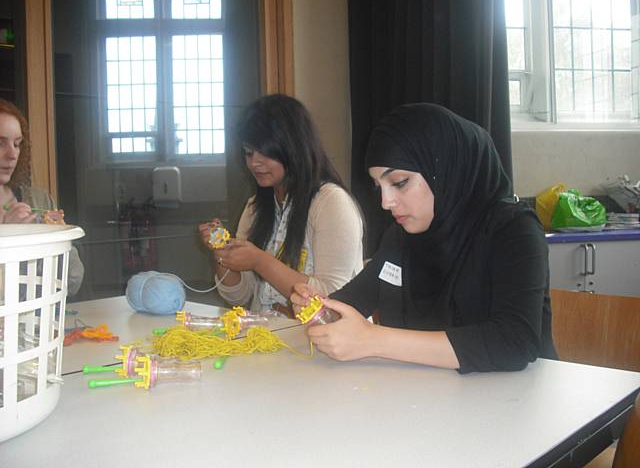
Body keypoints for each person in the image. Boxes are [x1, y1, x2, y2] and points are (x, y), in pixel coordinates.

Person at [291, 103, 558, 373]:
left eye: (399, 182)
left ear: (444, 170)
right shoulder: (400, 238)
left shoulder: (514, 230)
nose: (386, 202)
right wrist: (319, 308)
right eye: (378, 187)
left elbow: (513, 342)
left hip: (517, 403)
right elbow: (352, 300)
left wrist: (374, 340)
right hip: (428, 399)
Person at [199, 94, 363, 314]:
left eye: (266, 152)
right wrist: (222, 253)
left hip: (322, 342)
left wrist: (259, 261)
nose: (254, 162)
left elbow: (333, 298)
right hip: (268, 336)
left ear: (293, 149)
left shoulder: (331, 203)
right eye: (248, 152)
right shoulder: (255, 207)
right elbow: (239, 296)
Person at [0, 99, 84, 295]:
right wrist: (10, 237)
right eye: (0, 142)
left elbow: (73, 282)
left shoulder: (38, 201)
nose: (13, 154)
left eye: (17, 144)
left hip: (35, 325)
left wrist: (60, 239)